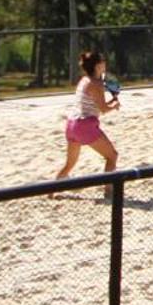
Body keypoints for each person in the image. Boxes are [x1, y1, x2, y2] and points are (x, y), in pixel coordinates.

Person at [56, 49, 119, 195]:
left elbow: (94, 105)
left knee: (69, 165)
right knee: (112, 156)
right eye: (103, 61)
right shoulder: (96, 83)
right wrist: (114, 105)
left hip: (71, 124)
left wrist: (111, 102)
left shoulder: (84, 80)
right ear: (97, 66)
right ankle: (109, 192)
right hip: (85, 125)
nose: (105, 64)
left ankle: (51, 191)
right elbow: (103, 109)